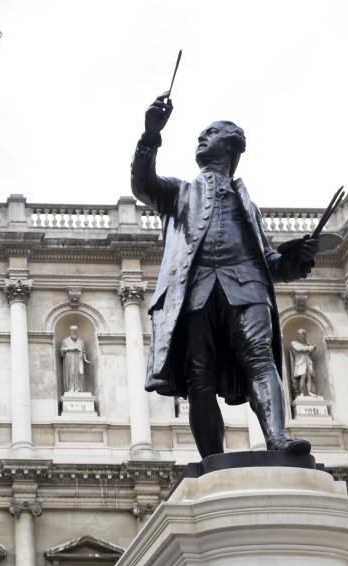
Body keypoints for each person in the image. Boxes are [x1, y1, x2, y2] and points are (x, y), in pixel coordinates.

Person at [130, 96, 317, 459]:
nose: (202, 138)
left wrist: (297, 258)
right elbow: (143, 184)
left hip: (246, 288)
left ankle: (277, 438)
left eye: (211, 134)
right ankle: (212, 460)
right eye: (201, 134)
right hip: (194, 292)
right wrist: (150, 135)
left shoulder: (247, 204)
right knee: (199, 379)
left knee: (261, 359)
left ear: (231, 146)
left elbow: (272, 264)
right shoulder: (179, 193)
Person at [59, 326, 90, 395]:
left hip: (79, 361)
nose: (74, 332)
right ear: (70, 332)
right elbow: (61, 350)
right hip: (69, 361)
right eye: (72, 331)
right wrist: (71, 349)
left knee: (80, 374)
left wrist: (85, 359)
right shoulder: (65, 341)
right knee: (71, 373)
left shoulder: (81, 341)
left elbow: (84, 351)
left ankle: (79, 389)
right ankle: (71, 389)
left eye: (75, 331)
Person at [288, 328, 317, 399]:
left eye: (304, 334)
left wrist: (311, 349)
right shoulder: (294, 343)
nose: (303, 336)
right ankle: (301, 393)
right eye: (301, 334)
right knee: (303, 376)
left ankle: (309, 392)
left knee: (309, 377)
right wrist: (309, 348)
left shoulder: (307, 343)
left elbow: (310, 352)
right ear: (298, 335)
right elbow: (299, 349)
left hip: (308, 361)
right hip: (300, 361)